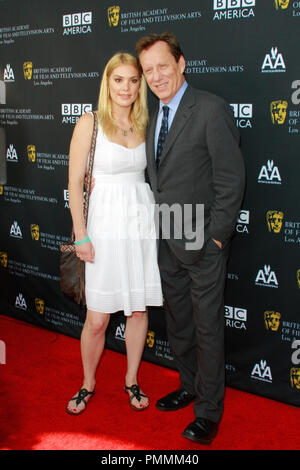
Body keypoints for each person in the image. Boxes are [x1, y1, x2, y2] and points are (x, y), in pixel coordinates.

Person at [136, 32, 245, 444]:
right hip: (165, 237)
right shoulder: (152, 116)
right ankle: (187, 385)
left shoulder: (210, 110)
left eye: (163, 66)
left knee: (206, 327)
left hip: (203, 243)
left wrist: (216, 239)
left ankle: (209, 411)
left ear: (182, 64)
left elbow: (231, 181)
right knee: (179, 323)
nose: (156, 76)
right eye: (148, 70)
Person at [66, 52, 163, 415]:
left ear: (141, 85)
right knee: (98, 318)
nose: (126, 87)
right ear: (108, 83)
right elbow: (75, 183)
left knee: (138, 311)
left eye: (133, 80)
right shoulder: (89, 123)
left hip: (140, 224)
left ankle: (131, 379)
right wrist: (80, 234)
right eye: (119, 80)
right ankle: (88, 383)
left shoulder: (146, 123)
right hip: (102, 227)